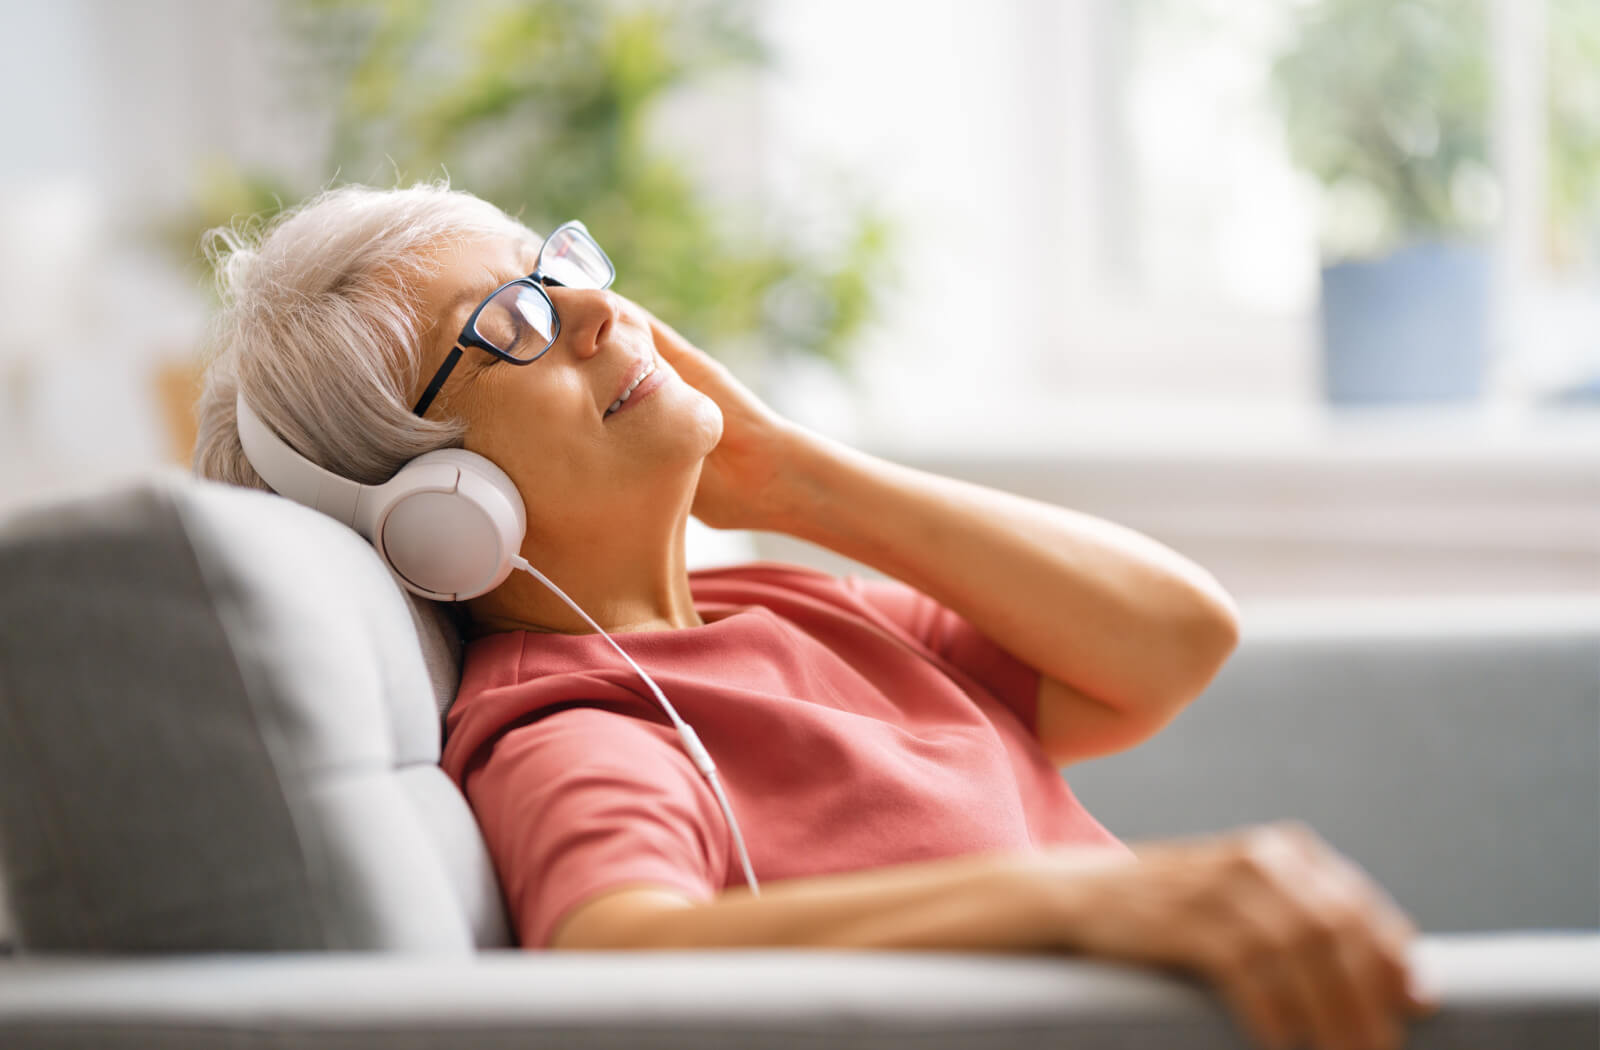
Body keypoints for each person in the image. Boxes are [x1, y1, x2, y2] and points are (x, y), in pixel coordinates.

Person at [193, 181, 1438, 1050]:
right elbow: (616, 956)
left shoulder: (780, 607)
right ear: (441, 510)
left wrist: (790, 474)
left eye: (551, 264)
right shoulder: (578, 724)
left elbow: (1173, 643)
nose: (587, 307)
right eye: (506, 323)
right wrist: (1087, 908)